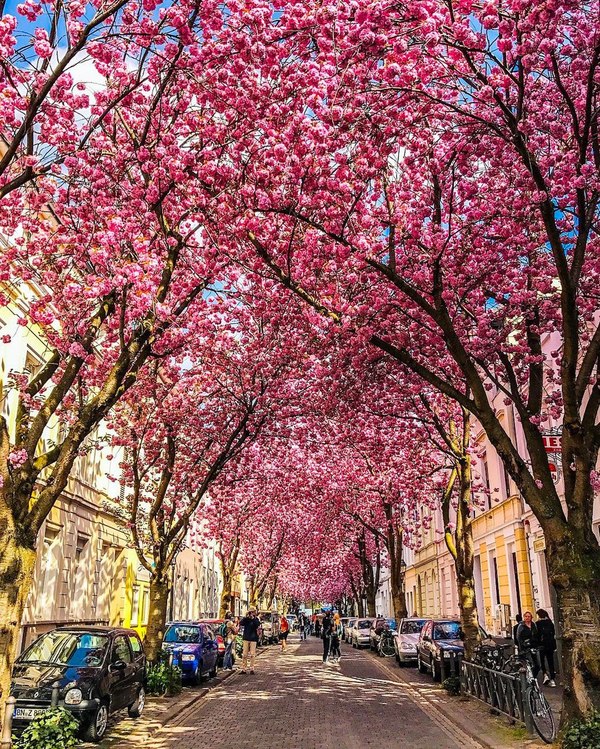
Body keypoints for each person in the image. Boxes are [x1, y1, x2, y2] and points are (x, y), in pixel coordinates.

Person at [516, 610, 541, 678]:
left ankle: (533, 676)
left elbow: (536, 635)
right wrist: (522, 647)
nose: (527, 618)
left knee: (538, 666)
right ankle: (529, 678)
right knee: (530, 664)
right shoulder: (521, 626)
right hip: (525, 648)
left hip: (533, 647)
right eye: (526, 616)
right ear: (524, 617)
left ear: (531, 617)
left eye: (529, 616)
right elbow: (518, 638)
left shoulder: (533, 625)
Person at [536, 609, 557, 687]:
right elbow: (553, 633)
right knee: (550, 661)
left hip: (542, 646)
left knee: (542, 661)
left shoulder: (537, 624)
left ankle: (545, 674)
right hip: (550, 645)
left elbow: (536, 635)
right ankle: (552, 678)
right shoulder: (550, 623)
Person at [239, 609, 261, 674]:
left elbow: (257, 624)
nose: (251, 613)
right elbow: (241, 623)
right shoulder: (246, 619)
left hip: (253, 639)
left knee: (252, 654)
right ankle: (244, 669)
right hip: (246, 638)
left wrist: (253, 618)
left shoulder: (256, 619)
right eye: (250, 612)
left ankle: (252, 668)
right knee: (244, 655)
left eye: (253, 612)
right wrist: (246, 617)